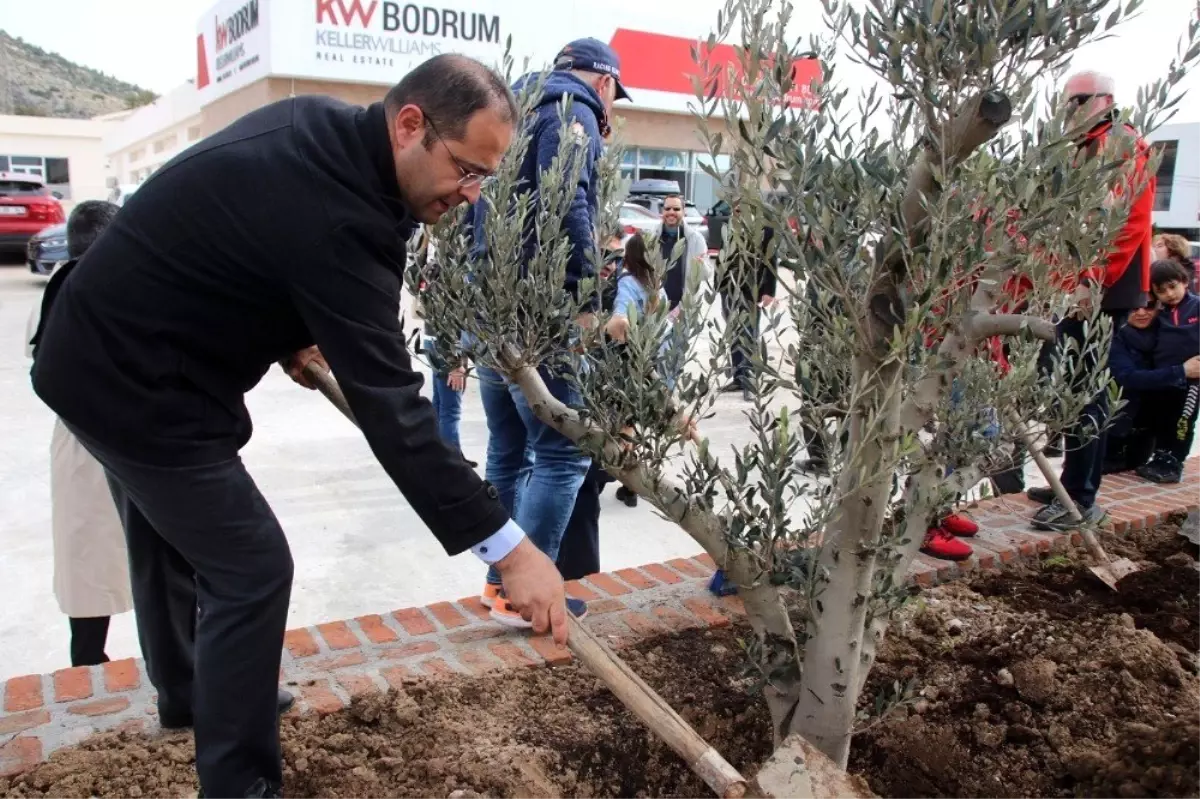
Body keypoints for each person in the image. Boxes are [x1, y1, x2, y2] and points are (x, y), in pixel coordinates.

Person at [31, 54, 568, 799]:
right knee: (251, 567)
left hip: (112, 346)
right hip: (131, 379)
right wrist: (510, 550)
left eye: (484, 178)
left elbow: (240, 240)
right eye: (465, 170)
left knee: (169, 537)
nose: (472, 196)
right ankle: (240, 784)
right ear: (410, 124)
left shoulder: (327, 134)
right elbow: (396, 412)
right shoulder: (338, 209)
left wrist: (292, 326)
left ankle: (193, 692)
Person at [474, 38, 631, 626]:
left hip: (492, 306)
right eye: (614, 95)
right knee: (562, 457)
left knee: (508, 452)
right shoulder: (575, 114)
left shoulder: (513, 111)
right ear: (605, 82)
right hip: (545, 311)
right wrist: (587, 295)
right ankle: (528, 595)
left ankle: (498, 584)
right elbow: (574, 206)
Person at [1030, 71, 1156, 531]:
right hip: (1086, 285)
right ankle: (1072, 485)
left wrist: (1090, 284)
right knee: (1078, 388)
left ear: (1102, 101)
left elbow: (1121, 227)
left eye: (1075, 102)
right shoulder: (1092, 147)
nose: (1067, 112)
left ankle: (1080, 497)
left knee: (1088, 392)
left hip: (1103, 290)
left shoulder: (1118, 145)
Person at [25, 201, 133, 667]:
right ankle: (90, 670)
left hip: (93, 438)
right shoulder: (83, 288)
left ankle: (90, 666)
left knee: (93, 559)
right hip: (100, 439)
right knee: (93, 559)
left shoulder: (54, 289)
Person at [1135, 259, 1200, 483]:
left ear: (1185, 282)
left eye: (1173, 287)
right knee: (1162, 419)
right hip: (1164, 378)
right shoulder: (1159, 314)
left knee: (1183, 420)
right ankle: (1160, 457)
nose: (1169, 294)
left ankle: (1174, 462)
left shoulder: (1196, 307)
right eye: (1161, 291)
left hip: (1191, 381)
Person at [412, 226, 470, 458]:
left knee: (439, 405)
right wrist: (457, 362)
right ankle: (452, 460)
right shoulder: (451, 268)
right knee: (450, 411)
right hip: (446, 345)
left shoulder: (428, 256)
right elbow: (453, 315)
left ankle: (435, 457)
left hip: (430, 339)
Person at [719, 208, 777, 401]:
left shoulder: (765, 230)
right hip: (729, 289)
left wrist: (769, 291)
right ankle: (738, 377)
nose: (738, 212)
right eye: (735, 209)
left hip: (752, 290)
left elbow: (771, 260)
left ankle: (750, 381)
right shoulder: (729, 228)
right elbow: (721, 256)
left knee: (750, 333)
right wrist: (719, 284)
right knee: (733, 333)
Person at [655, 193, 709, 312]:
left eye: (676, 209)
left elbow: (706, 275)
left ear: (684, 212)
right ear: (662, 211)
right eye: (667, 208)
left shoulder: (696, 239)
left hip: (684, 309)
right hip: (656, 308)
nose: (671, 212)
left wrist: (700, 265)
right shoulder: (653, 237)